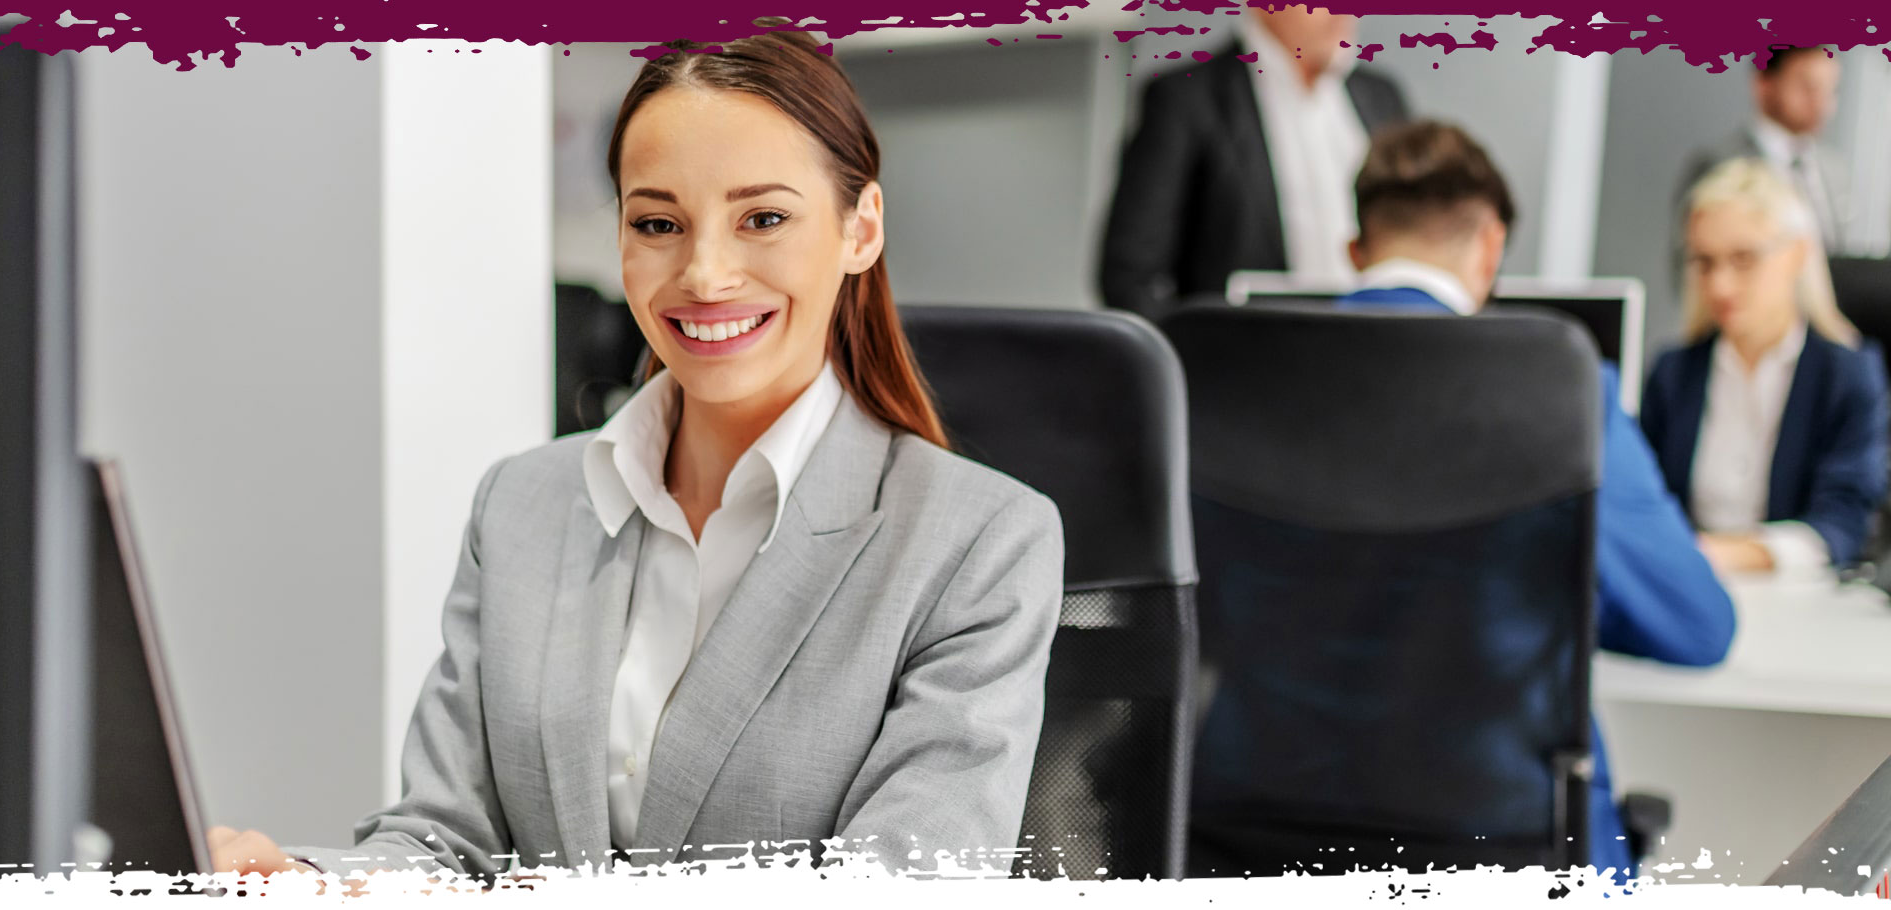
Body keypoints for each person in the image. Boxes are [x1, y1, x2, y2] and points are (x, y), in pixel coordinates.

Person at [203, 28, 1065, 878]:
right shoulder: (522, 506)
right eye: (659, 222)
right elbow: (444, 838)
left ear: (860, 229)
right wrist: (310, 881)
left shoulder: (978, 542)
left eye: (762, 217)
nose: (704, 273)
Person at [1335, 120, 1736, 874]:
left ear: (1355, 252)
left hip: (1255, 838)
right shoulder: (1558, 389)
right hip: (1508, 848)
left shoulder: (1223, 382)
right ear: (1490, 246)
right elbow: (1695, 626)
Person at [1640, 158, 1890, 575]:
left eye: (1743, 259)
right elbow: (1643, 501)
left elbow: (1843, 526)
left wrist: (1712, 554)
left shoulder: (1845, 377)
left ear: (1796, 255)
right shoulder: (1673, 374)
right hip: (1684, 591)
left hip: (1792, 601)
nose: (1720, 285)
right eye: (1705, 262)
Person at [1097, 3, 1412, 320]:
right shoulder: (1185, 99)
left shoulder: (1382, 97)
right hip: (1245, 353)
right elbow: (1129, 274)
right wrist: (1192, 359)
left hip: (1374, 346)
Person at [1677, 46, 1853, 256]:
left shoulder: (1833, 169)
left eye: (1830, 89)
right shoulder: (1719, 164)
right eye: (1808, 87)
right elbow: (1691, 262)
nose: (1822, 103)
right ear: (1763, 83)